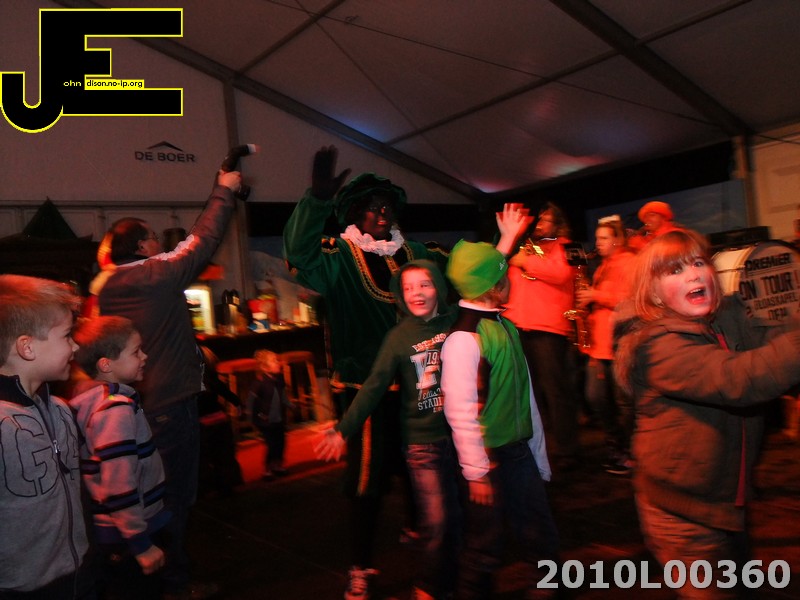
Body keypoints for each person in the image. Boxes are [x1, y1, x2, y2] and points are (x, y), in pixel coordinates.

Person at [314, 205, 528, 600]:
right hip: (423, 446)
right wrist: (343, 430)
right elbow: (373, 387)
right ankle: (429, 585)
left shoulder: (455, 320)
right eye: (409, 287)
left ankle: (458, 581)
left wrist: (507, 241)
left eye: (425, 285)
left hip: (459, 440)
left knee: (468, 517)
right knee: (438, 521)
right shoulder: (397, 338)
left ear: (438, 289)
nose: (417, 292)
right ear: (400, 294)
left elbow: (481, 280)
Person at [283, 146, 449, 599]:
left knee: (420, 461)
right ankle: (360, 565)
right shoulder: (338, 256)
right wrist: (317, 200)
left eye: (387, 206)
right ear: (356, 213)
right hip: (364, 388)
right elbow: (299, 253)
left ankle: (417, 529)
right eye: (373, 207)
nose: (382, 213)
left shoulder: (414, 252)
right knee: (366, 478)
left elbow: (462, 269)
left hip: (418, 383)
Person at [614, 229, 800, 599]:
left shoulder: (722, 319)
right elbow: (740, 379)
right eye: (675, 270)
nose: (694, 274)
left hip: (725, 502)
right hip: (681, 516)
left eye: (699, 263)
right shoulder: (658, 347)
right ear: (654, 294)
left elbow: (773, 338)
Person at [93, 168, 242, 600]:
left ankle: (147, 576)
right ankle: (173, 584)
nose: (159, 243)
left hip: (134, 404)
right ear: (142, 246)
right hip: (170, 404)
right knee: (174, 497)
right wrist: (224, 190)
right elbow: (202, 241)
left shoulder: (106, 286)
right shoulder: (154, 274)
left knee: (143, 492)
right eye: (154, 237)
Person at [441, 240, 560, 599]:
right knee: (484, 544)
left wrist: (538, 452)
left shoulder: (505, 326)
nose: (512, 281)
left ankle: (547, 586)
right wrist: (477, 471)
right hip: (488, 460)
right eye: (507, 276)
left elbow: (526, 395)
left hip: (519, 451)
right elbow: (460, 412)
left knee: (538, 528)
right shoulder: (465, 339)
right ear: (494, 287)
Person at [0, 274, 93, 598]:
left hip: (78, 573)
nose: (76, 346)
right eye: (67, 335)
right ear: (27, 347)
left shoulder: (61, 410)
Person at [70, 316, 170, 600]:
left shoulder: (97, 402)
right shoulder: (115, 410)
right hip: (128, 536)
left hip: (118, 532)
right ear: (106, 365)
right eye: (136, 351)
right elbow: (118, 481)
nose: (145, 356)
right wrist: (140, 543)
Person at [503, 201, 581, 471]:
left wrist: (525, 261)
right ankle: (540, 443)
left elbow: (563, 273)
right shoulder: (523, 246)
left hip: (548, 329)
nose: (540, 225)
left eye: (546, 220)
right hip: (520, 326)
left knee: (556, 391)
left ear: (557, 224)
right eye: (539, 220)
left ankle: (568, 448)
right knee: (531, 392)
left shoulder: (568, 246)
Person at [574, 216, 636, 475]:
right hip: (599, 345)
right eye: (597, 238)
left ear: (617, 240)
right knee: (596, 397)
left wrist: (595, 295)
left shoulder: (630, 263)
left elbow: (630, 300)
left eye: (603, 238)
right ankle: (616, 444)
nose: (597, 243)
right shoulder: (602, 267)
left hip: (620, 343)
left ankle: (630, 452)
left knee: (625, 403)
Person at [247, 350, 293, 480]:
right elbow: (252, 401)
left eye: (277, 360)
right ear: (264, 367)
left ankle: (277, 465)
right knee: (271, 443)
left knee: (281, 442)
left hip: (278, 418)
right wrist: (257, 416)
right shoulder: (259, 383)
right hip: (265, 420)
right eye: (274, 361)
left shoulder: (279, 380)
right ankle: (267, 468)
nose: (278, 363)